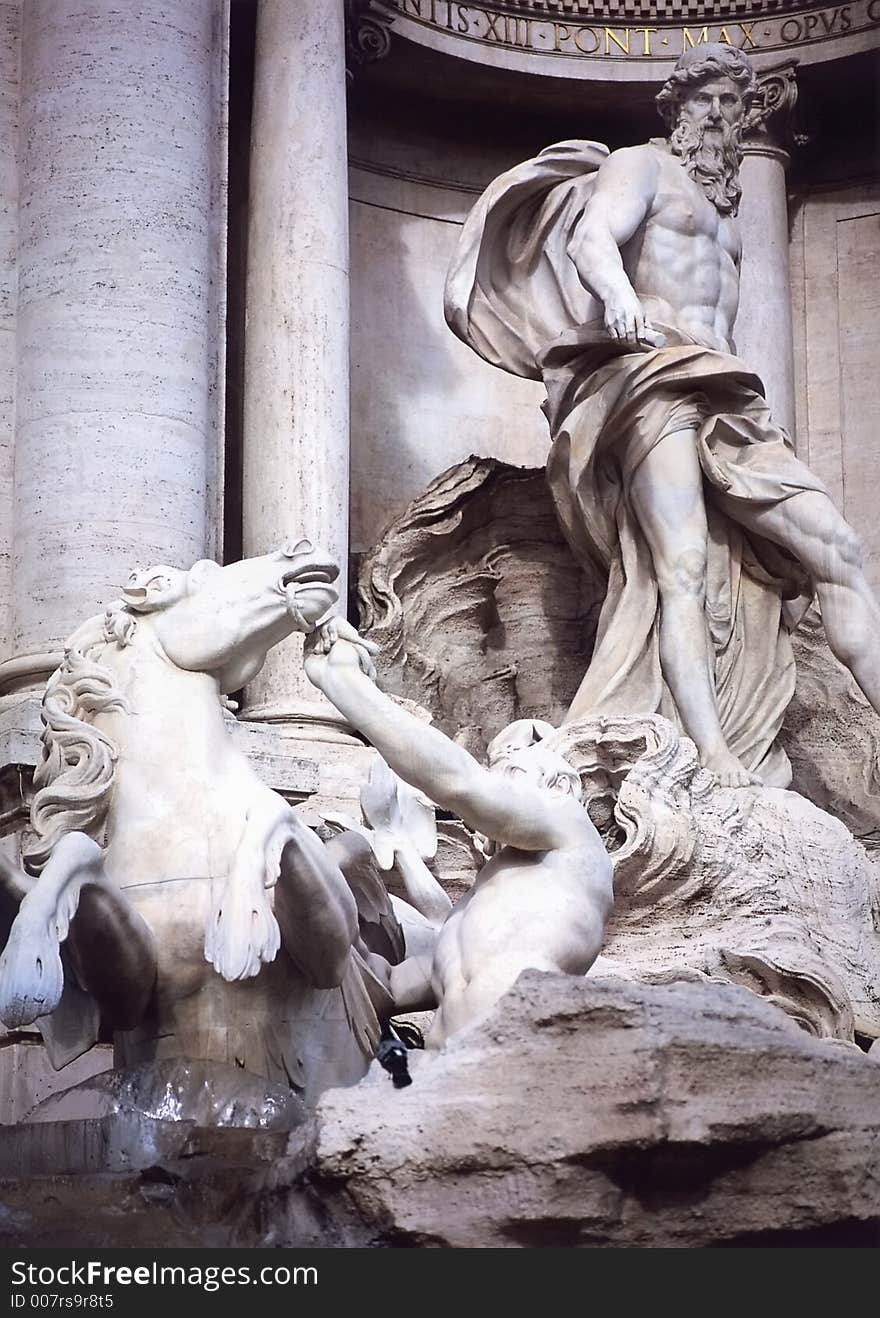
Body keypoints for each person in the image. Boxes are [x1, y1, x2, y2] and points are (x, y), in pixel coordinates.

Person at [445, 44, 880, 788]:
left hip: (730, 395)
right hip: (653, 377)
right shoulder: (639, 165)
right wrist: (616, 295)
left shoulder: (729, 212)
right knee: (681, 566)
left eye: (731, 104)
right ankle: (710, 754)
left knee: (839, 550)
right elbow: (591, 240)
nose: (717, 116)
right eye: (704, 100)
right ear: (676, 109)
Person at [304, 618, 613, 1048]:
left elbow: (462, 784)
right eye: (496, 772)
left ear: (558, 785)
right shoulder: (478, 907)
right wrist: (321, 909)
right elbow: (390, 984)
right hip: (446, 1083)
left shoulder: (571, 829)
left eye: (512, 772)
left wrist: (344, 685)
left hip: (516, 1066)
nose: (497, 784)